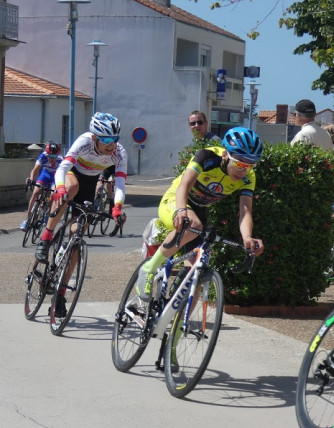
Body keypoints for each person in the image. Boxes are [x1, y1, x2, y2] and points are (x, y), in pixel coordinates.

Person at [135, 127, 266, 300]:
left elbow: (245, 210)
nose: (244, 170)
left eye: (250, 165)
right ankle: (149, 269)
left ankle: (180, 325)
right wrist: (181, 210)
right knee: (193, 224)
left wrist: (247, 237)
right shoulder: (206, 157)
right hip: (176, 200)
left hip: (199, 210)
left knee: (196, 274)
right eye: (240, 163)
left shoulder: (249, 177)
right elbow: (184, 185)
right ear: (226, 154)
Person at [34, 112, 128, 318]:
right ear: (95, 137)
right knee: (71, 187)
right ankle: (47, 236)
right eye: (106, 140)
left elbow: (120, 182)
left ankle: (59, 294)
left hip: (90, 183)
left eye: (114, 140)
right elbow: (63, 167)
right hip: (71, 175)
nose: (111, 145)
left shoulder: (119, 153)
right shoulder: (84, 141)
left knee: (77, 237)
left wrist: (117, 207)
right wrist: (59, 188)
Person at [20, 141, 62, 231]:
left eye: (54, 156)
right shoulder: (42, 156)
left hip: (55, 177)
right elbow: (35, 170)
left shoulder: (60, 159)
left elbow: (63, 174)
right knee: (35, 192)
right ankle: (27, 219)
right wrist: (31, 179)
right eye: (50, 156)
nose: (52, 158)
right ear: (46, 154)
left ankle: (47, 215)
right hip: (45, 174)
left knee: (53, 195)